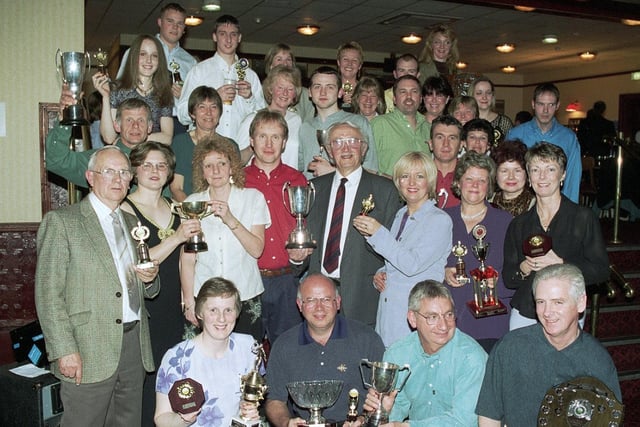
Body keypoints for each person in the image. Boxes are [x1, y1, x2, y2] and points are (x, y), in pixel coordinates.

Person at [35, 146, 160, 426]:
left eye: (124, 172)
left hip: (134, 343)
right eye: (109, 172)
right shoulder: (62, 222)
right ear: (90, 177)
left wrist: (151, 279)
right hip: (87, 346)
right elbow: (48, 294)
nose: (118, 179)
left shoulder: (131, 223)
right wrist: (63, 349)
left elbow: (145, 287)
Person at [476, 264, 622, 426]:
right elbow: (489, 415)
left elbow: (609, 420)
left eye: (558, 302)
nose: (547, 312)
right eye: (541, 302)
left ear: (581, 302)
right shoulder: (510, 347)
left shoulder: (597, 360)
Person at [290, 121, 401, 327]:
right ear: (329, 151)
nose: (346, 148)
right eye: (338, 142)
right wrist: (297, 260)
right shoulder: (313, 189)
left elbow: (394, 246)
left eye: (353, 141)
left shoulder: (385, 190)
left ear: (364, 148)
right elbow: (306, 241)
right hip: (320, 296)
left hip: (364, 295)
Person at [121, 141, 201, 426]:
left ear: (169, 173)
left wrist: (189, 299)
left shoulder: (177, 208)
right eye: (147, 165)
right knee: (146, 379)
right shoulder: (124, 210)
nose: (155, 171)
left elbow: (185, 260)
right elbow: (135, 262)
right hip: (142, 305)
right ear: (134, 171)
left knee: (175, 377)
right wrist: (176, 237)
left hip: (173, 306)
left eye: (161, 165)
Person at [503, 142, 609, 330]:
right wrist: (524, 267)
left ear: (563, 175)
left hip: (565, 313)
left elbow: (601, 271)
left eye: (550, 169)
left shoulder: (583, 218)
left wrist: (561, 264)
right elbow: (509, 278)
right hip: (526, 312)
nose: (542, 177)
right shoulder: (518, 224)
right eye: (535, 170)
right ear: (529, 177)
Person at [353, 152, 452, 347]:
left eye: (420, 176)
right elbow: (396, 257)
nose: (412, 182)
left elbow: (411, 264)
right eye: (405, 176)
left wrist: (378, 232)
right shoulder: (400, 214)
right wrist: (381, 274)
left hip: (417, 317)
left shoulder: (439, 220)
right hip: (389, 315)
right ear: (398, 181)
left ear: (430, 181)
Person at [264, 273, 385, 426]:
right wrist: (286, 423)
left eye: (326, 299)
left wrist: (363, 419)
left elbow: (383, 396)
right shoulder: (284, 344)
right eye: (311, 300)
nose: (319, 307)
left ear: (338, 303)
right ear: (299, 305)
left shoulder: (367, 339)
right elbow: (275, 400)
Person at [180, 136, 270, 340]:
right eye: (208, 165)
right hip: (203, 298)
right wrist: (188, 301)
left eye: (222, 163)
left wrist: (230, 219)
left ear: (232, 167)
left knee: (246, 361)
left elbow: (257, 250)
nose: (216, 171)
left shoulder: (252, 197)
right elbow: (187, 259)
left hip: (245, 294)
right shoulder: (193, 203)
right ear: (202, 171)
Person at [363, 280, 487, 425]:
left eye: (448, 315)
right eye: (432, 317)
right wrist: (383, 411)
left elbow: (464, 421)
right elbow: (397, 406)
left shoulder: (471, 358)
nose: (443, 325)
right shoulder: (397, 354)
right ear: (413, 319)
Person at [155, 278, 262, 427]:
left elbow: (253, 396)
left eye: (228, 310)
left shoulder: (249, 347)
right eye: (213, 310)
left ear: (237, 312)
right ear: (199, 313)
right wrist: (184, 419)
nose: (221, 318)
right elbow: (161, 418)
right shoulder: (177, 357)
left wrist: (249, 411)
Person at [244, 110, 307, 345]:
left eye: (276, 137)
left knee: (288, 349)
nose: (268, 144)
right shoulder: (239, 180)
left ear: (284, 142)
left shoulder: (297, 180)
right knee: (247, 350)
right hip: (248, 279)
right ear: (251, 141)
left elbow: (304, 227)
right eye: (262, 136)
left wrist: (301, 254)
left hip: (286, 281)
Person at [444, 152, 513, 347]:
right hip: (446, 323)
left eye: (481, 180)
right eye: (469, 179)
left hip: (489, 323)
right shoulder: (441, 219)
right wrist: (442, 271)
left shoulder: (505, 222)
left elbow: (517, 276)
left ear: (489, 186)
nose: (475, 185)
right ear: (458, 183)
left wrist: (497, 283)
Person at [177, 15, 265, 141]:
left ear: (239, 38)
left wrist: (249, 98)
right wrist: (214, 98)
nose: (228, 39)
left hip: (240, 148)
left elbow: (262, 119)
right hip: (204, 147)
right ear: (214, 37)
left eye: (233, 34)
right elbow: (182, 114)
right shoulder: (199, 71)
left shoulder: (250, 75)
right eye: (223, 34)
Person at [116, 3, 197, 135]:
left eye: (180, 23)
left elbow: (196, 101)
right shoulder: (136, 52)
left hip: (178, 124)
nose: (175, 27)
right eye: (170, 21)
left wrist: (185, 95)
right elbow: (120, 88)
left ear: (184, 28)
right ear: (159, 22)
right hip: (140, 120)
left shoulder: (190, 62)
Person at [46, 90, 153, 188]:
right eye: (129, 120)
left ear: (150, 127)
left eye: (141, 120)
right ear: (116, 126)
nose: (135, 126)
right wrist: (65, 118)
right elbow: (57, 161)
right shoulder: (99, 160)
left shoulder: (160, 162)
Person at [506, 83, 582, 203]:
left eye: (550, 105)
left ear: (557, 106)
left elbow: (573, 177)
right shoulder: (515, 135)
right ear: (533, 104)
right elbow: (506, 172)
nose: (545, 110)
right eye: (541, 104)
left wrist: (569, 210)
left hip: (556, 205)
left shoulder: (569, 138)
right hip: (521, 204)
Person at [298, 66, 378, 178]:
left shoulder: (358, 123)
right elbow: (299, 168)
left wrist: (334, 172)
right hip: (313, 193)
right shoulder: (305, 127)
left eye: (330, 87)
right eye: (317, 87)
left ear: (340, 92)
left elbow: (371, 169)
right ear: (310, 92)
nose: (323, 92)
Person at [93, 34, 174, 145]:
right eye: (143, 54)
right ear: (134, 57)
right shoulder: (117, 90)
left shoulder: (163, 93)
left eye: (154, 55)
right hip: (123, 157)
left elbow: (167, 138)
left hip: (151, 156)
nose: (149, 60)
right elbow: (109, 137)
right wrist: (106, 97)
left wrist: (130, 138)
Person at [170, 86, 240, 201]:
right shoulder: (180, 142)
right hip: (190, 210)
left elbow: (235, 185)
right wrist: (194, 212)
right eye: (202, 107)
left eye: (214, 107)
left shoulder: (230, 145)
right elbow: (176, 188)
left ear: (220, 113)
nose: (209, 113)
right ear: (192, 113)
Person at [237, 65, 302, 167]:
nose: (285, 93)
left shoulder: (296, 120)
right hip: (257, 180)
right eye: (280, 87)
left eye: (290, 89)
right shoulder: (252, 119)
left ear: (295, 93)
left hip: (289, 180)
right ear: (270, 89)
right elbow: (237, 161)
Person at [371, 75, 431, 177]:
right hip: (388, 191)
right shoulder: (379, 124)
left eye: (414, 91)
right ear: (394, 99)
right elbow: (365, 165)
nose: (409, 96)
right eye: (403, 92)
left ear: (421, 98)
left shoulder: (429, 129)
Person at [263, 43, 315, 123]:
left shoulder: (305, 94)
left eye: (288, 59)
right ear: (271, 65)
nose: (285, 64)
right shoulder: (260, 92)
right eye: (279, 59)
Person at [489, 140, 535, 216]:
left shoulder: (536, 206)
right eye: (504, 171)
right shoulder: (486, 202)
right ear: (495, 174)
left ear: (527, 173)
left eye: (517, 171)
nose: (511, 177)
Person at [428, 115, 463, 208]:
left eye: (452, 138)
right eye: (440, 137)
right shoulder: (419, 175)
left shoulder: (469, 175)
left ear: (461, 145)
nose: (446, 144)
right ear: (431, 144)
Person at [470, 76, 513, 145]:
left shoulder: (504, 122)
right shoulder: (467, 120)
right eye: (479, 93)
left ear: (492, 96)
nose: (484, 97)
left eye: (488, 93)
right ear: (472, 96)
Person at [337, 41, 364, 112]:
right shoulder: (330, 89)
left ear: (360, 66)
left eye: (354, 60)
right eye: (345, 59)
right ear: (338, 62)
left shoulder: (365, 90)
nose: (349, 64)